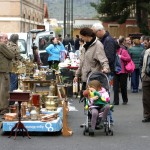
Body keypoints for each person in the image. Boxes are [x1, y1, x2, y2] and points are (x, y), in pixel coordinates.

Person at [74, 27, 110, 101]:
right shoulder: (85, 46)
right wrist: (77, 75)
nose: (81, 38)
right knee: (87, 102)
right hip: (85, 78)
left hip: (93, 78)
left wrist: (106, 68)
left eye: (82, 37)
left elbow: (103, 59)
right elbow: (82, 62)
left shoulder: (98, 45)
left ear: (87, 36)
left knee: (93, 102)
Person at [0, 33, 15, 114]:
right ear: (0, 39)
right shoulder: (2, 45)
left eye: (7, 38)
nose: (7, 40)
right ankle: (4, 108)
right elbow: (11, 55)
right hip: (4, 71)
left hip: (2, 70)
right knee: (4, 90)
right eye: (5, 38)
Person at [141, 41, 150, 122]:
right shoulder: (147, 51)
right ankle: (147, 115)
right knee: (146, 98)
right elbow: (143, 63)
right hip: (146, 76)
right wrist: (143, 74)